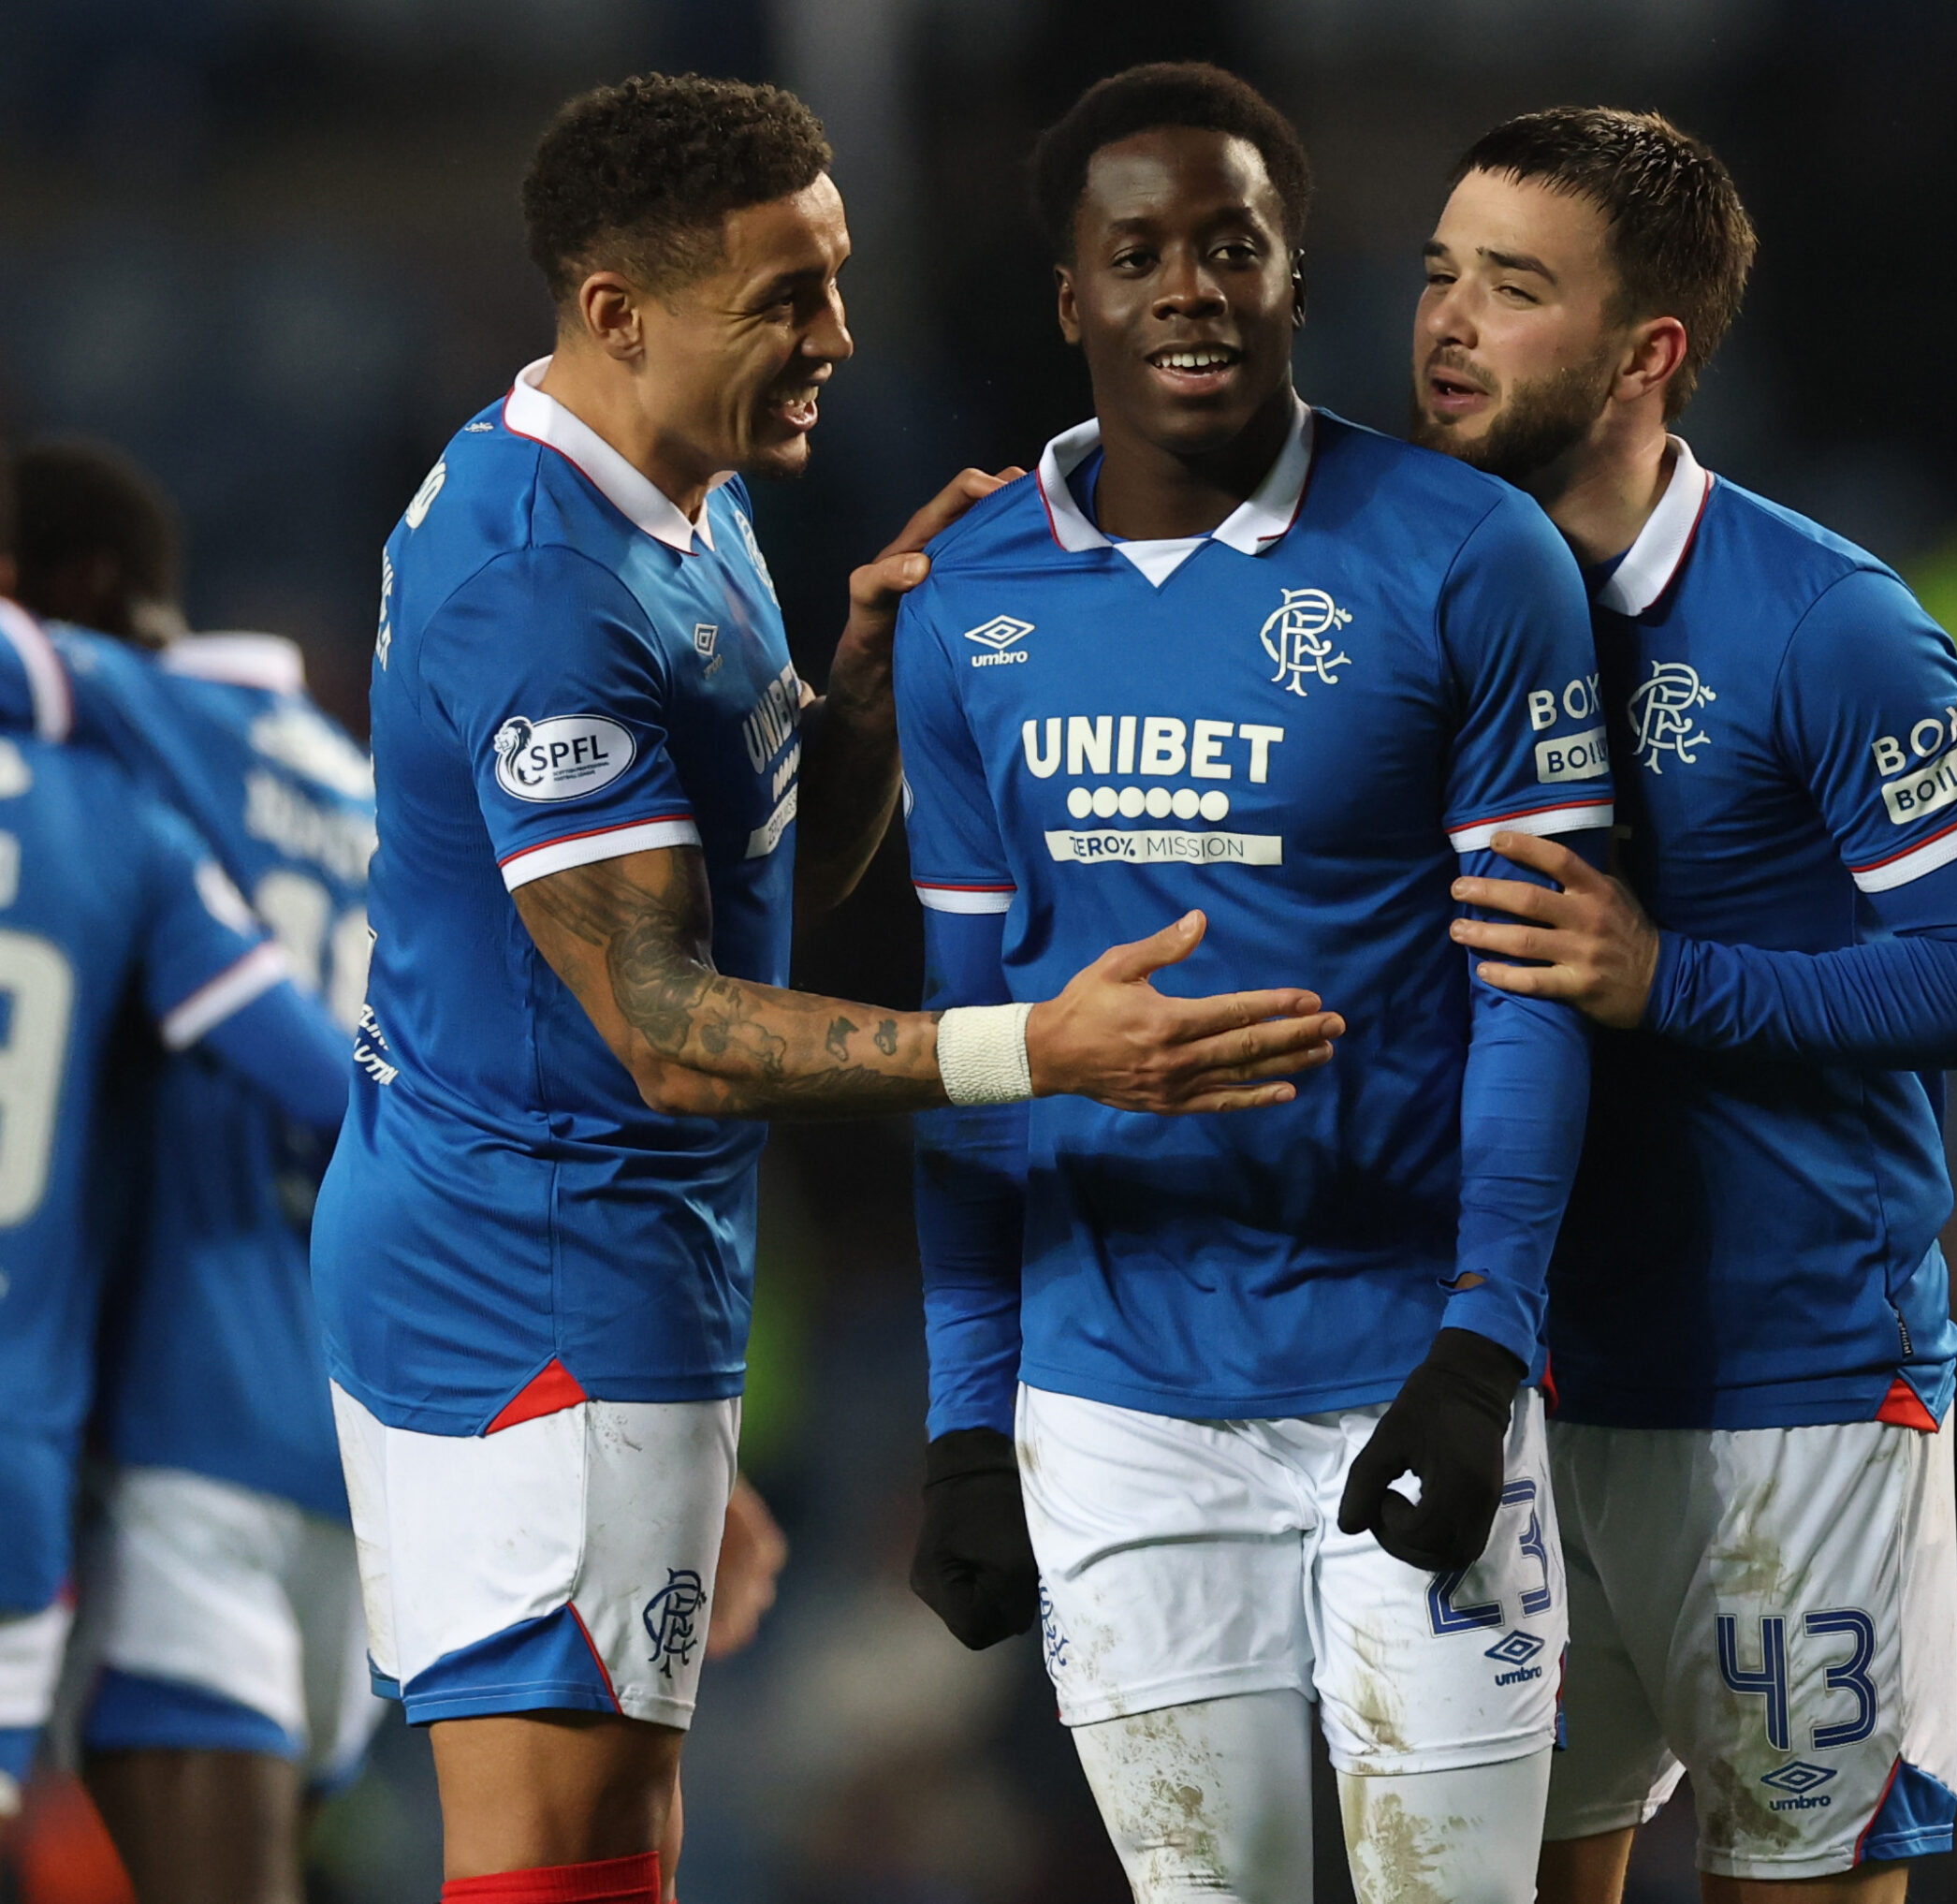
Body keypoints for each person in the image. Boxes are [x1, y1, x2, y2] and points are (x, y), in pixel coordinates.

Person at [316, 72, 1342, 1904]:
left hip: (590, 1265)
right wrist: (1038, 1047)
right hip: (533, 1273)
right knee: (548, 1861)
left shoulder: (668, 487)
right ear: (621, 309)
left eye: (835, 279)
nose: (837, 337)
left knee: (606, 1852)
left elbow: (742, 890)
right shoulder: (544, 590)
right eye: (784, 299)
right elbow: (667, 1028)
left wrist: (850, 701)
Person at [898, 65, 1612, 1904]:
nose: (1188, 290)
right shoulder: (964, 600)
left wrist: (1485, 1346)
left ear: (1299, 272)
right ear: (1071, 293)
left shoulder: (1471, 558)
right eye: (1137, 253)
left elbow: (1533, 994)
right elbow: (964, 1040)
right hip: (1115, 1406)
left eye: (1232, 246)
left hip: (1405, 1361)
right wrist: (966, 1420)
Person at [1413, 109, 1957, 1901]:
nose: (1450, 321)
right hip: (1514, 1379)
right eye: (1441, 272)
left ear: (1648, 355)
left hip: (1790, 1385)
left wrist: (1666, 976)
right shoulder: (1414, 595)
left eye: (1514, 287)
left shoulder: (1824, 623)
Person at [0, 479, 354, 1841]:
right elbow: (380, 1101)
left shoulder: (140, 749)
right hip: (364, 1437)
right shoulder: (388, 802)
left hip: (187, 1430)